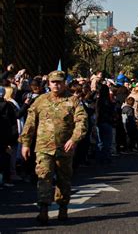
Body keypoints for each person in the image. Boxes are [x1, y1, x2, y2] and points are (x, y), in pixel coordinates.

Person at [19, 71, 87, 225]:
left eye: (59, 82)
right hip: (43, 147)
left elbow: (82, 121)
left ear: (64, 83)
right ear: (48, 84)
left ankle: (63, 209)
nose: (56, 85)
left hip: (65, 148)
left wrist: (74, 139)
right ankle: (43, 211)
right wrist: (25, 144)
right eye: (53, 82)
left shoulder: (73, 101)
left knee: (64, 179)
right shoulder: (40, 101)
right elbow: (30, 123)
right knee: (44, 177)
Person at [0, 86, 18, 187]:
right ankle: (6, 179)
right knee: (5, 157)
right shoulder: (8, 106)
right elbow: (13, 122)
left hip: (4, 135)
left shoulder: (8, 105)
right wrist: (13, 137)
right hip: (5, 136)